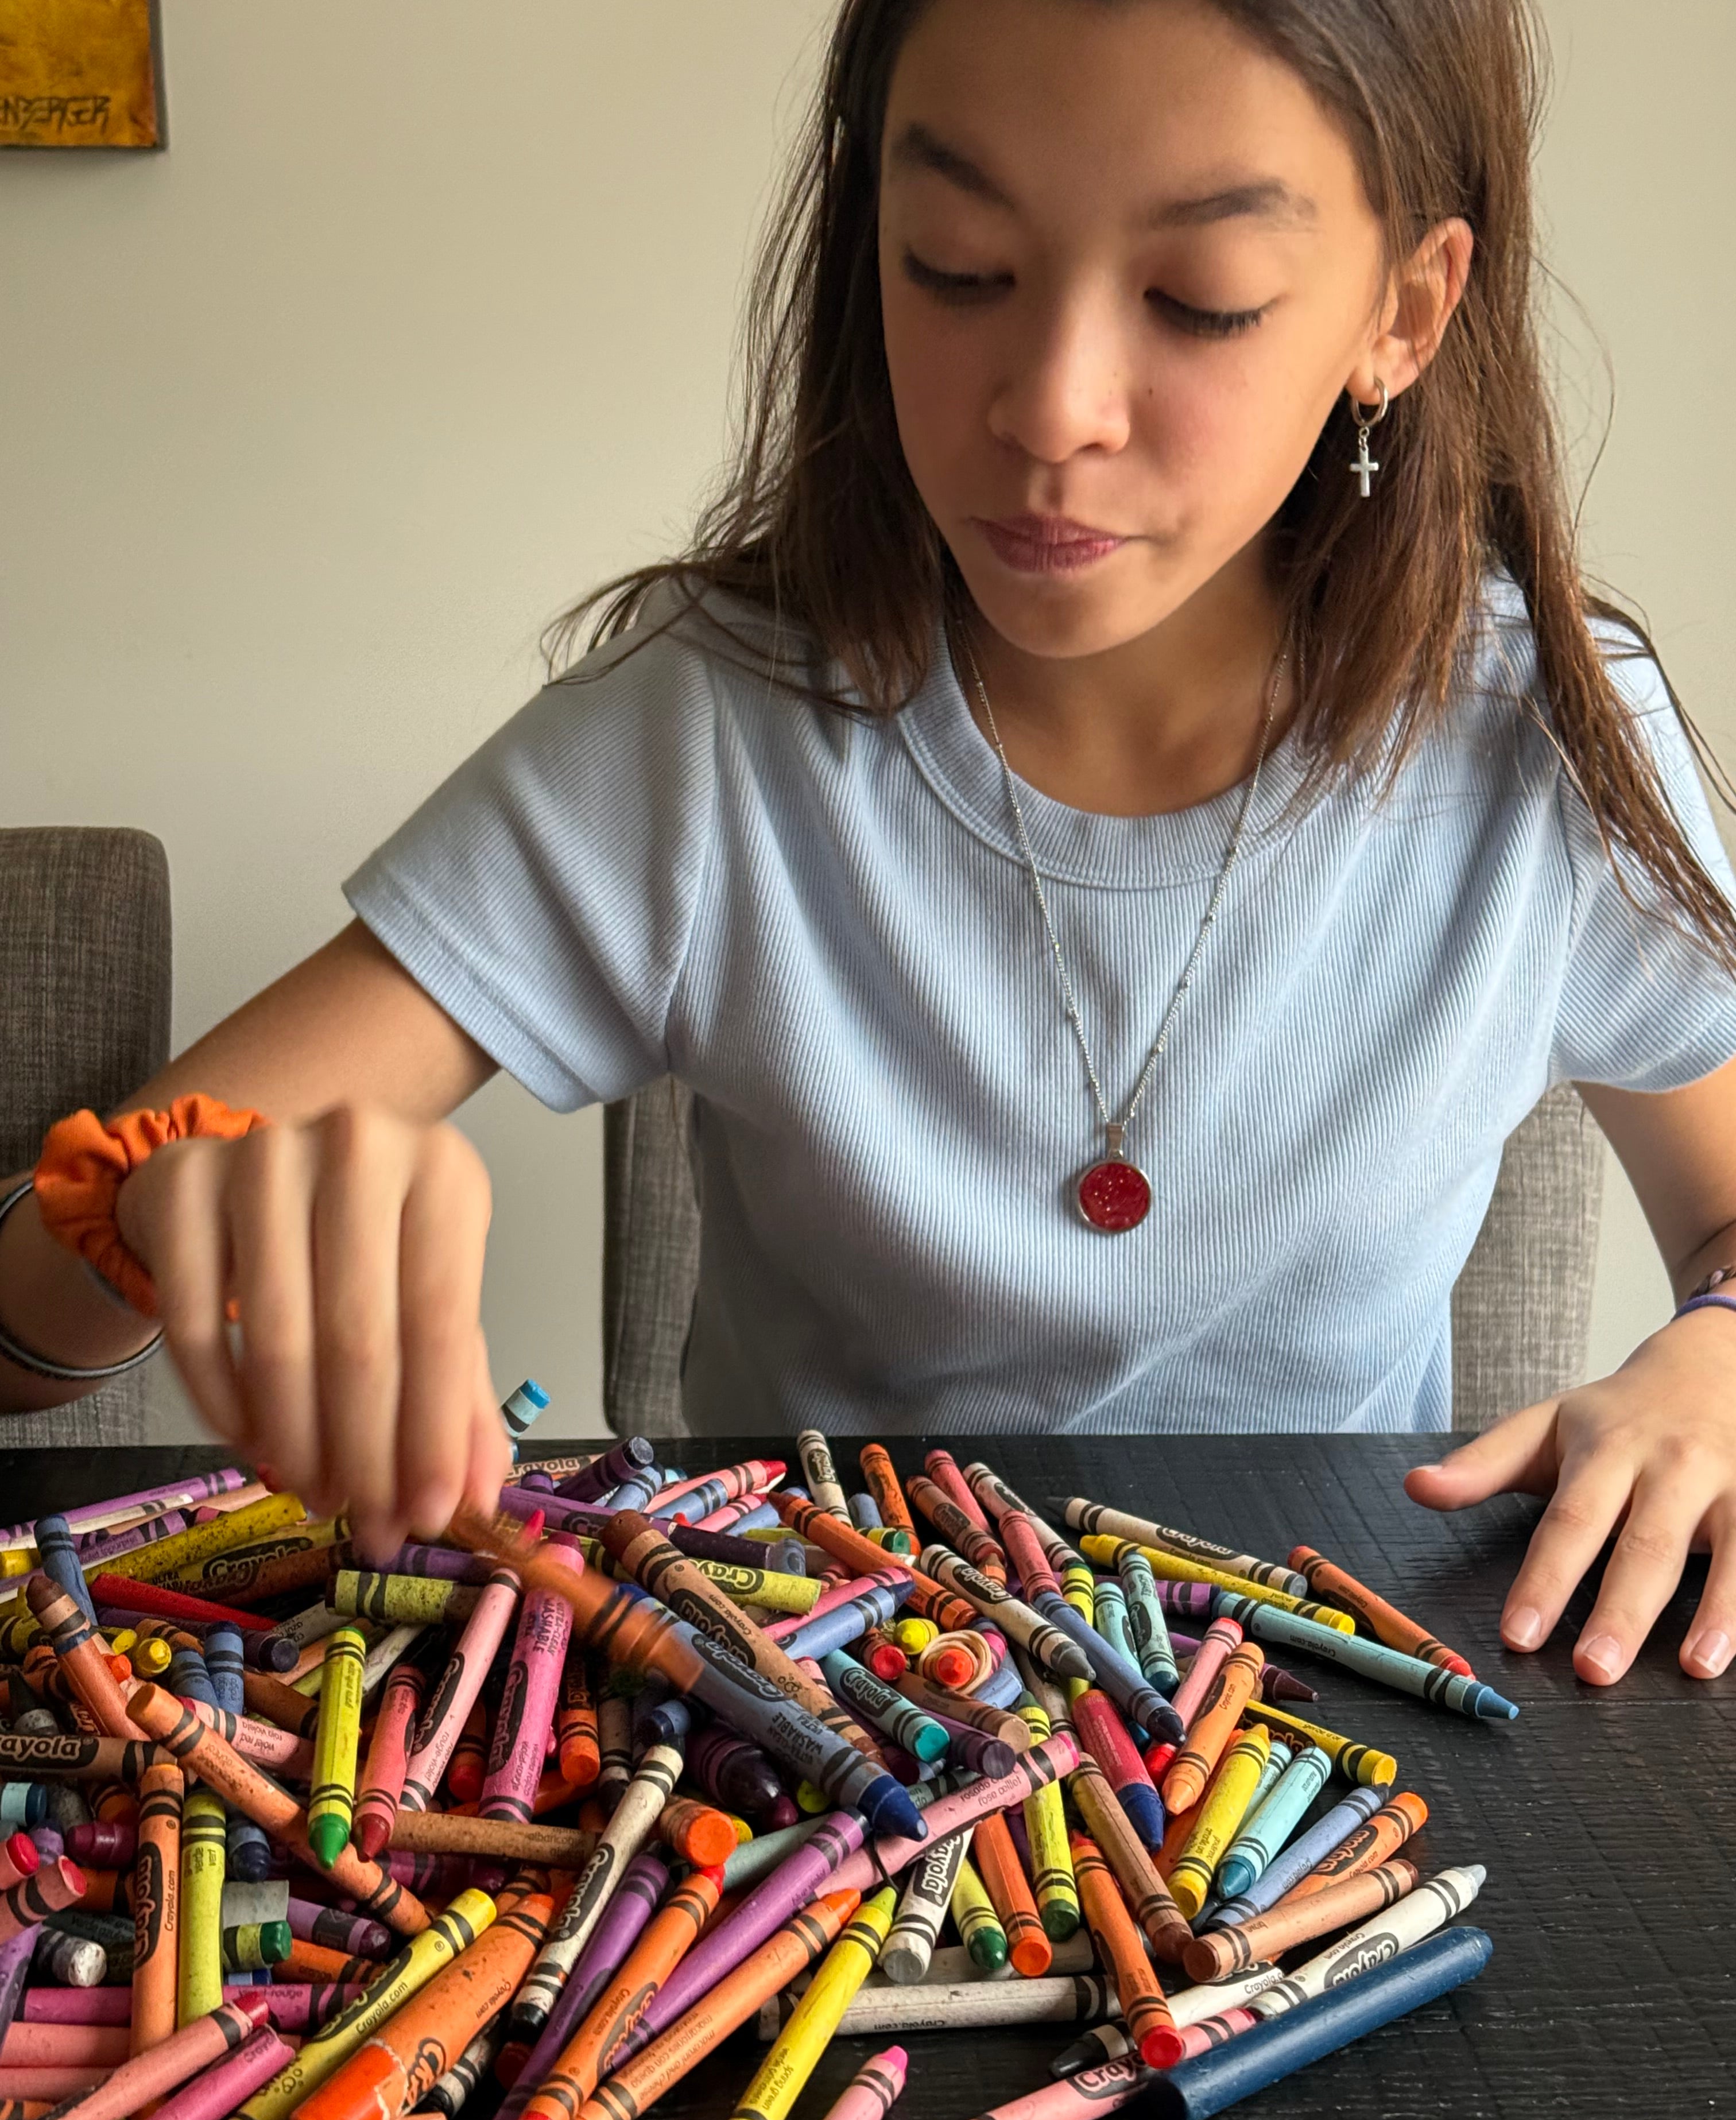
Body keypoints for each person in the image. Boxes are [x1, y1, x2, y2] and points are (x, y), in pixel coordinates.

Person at [3, 0, 1734, 1691]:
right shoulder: (705, 735)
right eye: (958, 265)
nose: (1051, 407)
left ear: (1406, 312)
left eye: (1201, 301)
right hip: (817, 1732)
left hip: (1320, 1718)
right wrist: (189, 1204)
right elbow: (45, 1302)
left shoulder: (1546, 740)